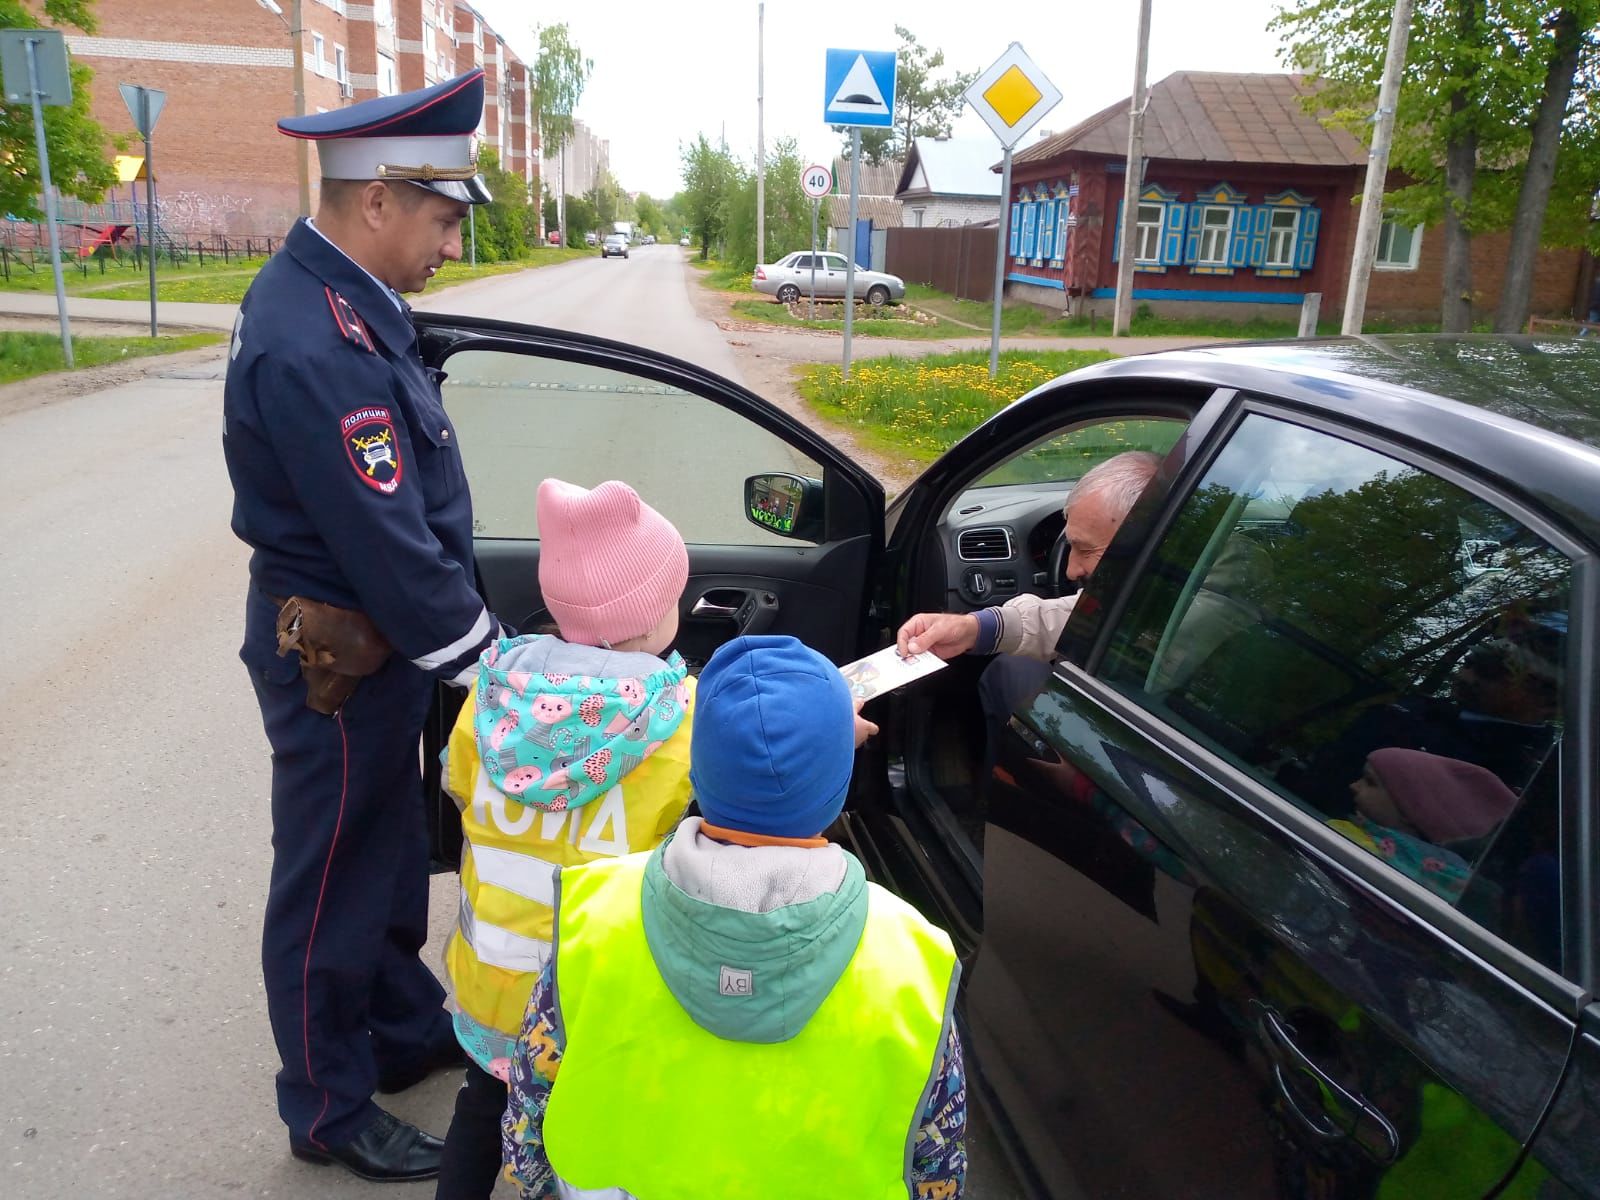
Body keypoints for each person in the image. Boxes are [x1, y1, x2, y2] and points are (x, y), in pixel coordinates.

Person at [222, 70, 499, 1182]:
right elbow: (384, 539)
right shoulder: (316, 338)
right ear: (378, 199)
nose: (450, 246)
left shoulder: (341, 303)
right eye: (441, 220)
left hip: (372, 646)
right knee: (332, 875)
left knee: (385, 849)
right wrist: (494, 663)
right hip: (338, 651)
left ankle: (394, 1029)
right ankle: (327, 1105)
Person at [500, 635, 966, 1200]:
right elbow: (936, 1148)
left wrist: (531, 1183)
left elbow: (535, 1080)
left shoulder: (595, 911)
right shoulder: (911, 954)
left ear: (697, 775)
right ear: (839, 788)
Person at [434, 479, 697, 1199]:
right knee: (591, 1134)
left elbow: (461, 794)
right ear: (650, 618)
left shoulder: (484, 707)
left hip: (490, 985)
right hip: (596, 998)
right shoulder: (680, 723)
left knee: (482, 1110)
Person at [897, 451, 1164, 665]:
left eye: (1086, 549)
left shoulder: (1192, 623)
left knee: (1009, 672)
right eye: (1070, 547)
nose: (1071, 571)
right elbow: (1079, 618)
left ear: (1149, 542)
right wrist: (972, 628)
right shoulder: (1162, 591)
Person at [1331, 747, 1519, 904]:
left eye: (1370, 782)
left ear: (1409, 811)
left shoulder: (1343, 839)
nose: (1354, 786)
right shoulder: (1459, 883)